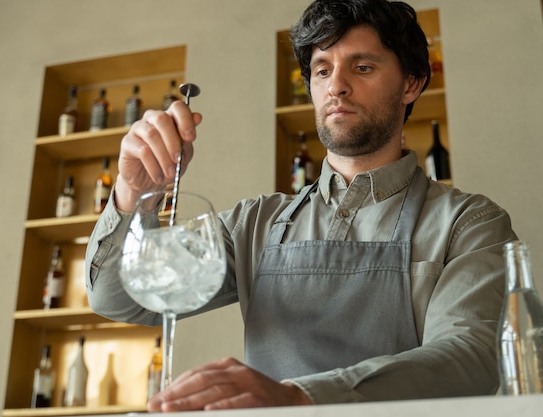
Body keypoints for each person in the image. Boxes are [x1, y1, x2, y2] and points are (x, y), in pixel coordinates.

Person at [85, 0, 517, 412]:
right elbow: (120, 299)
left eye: (362, 67)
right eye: (321, 70)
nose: (336, 86)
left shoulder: (469, 223)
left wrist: (298, 400)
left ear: (411, 83)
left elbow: (470, 358)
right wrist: (133, 191)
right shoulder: (253, 224)